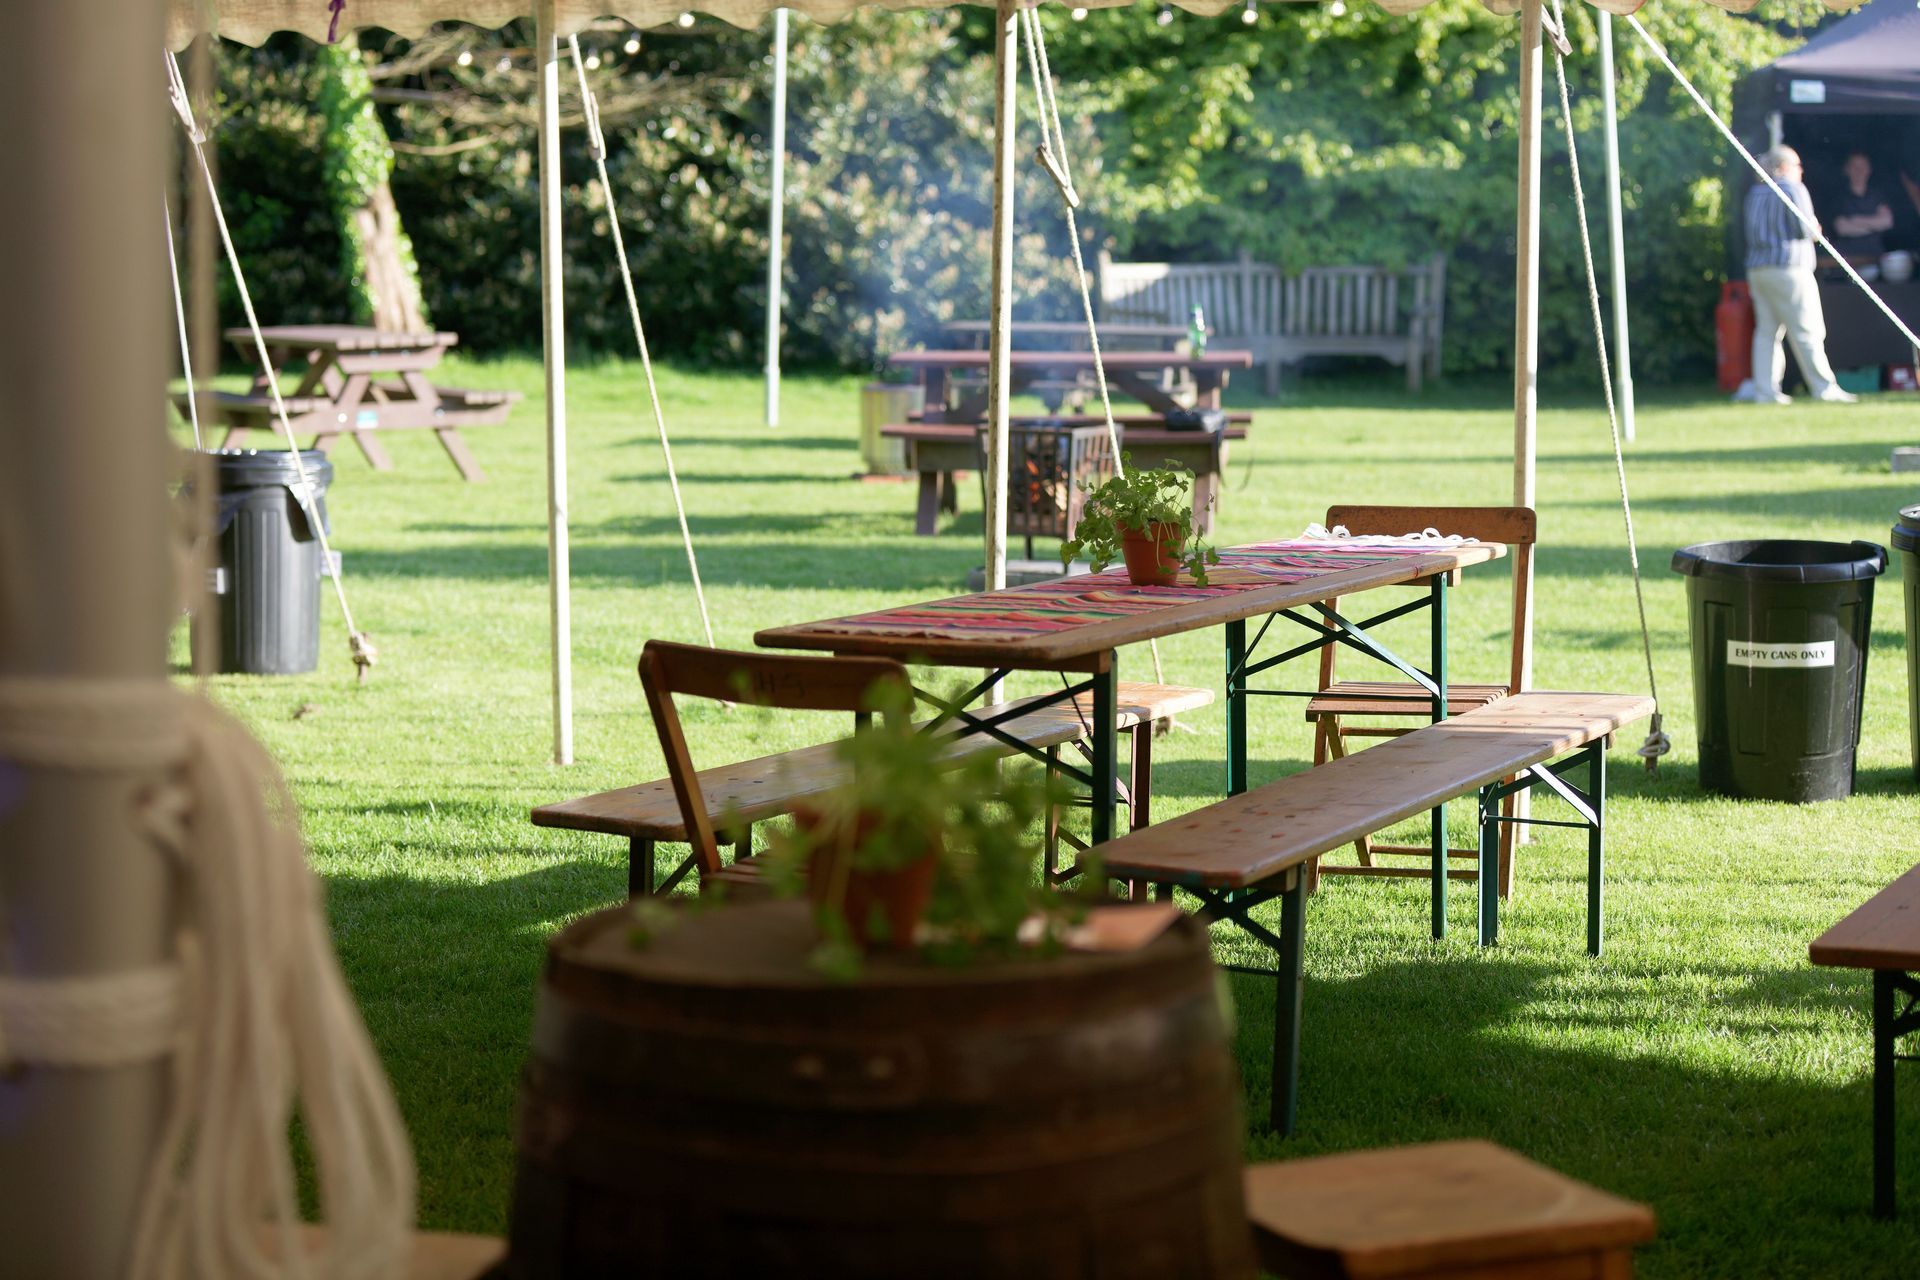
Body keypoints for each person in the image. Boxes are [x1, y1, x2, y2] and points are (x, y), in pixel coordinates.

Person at [1740, 145, 1856, 405]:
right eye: (1797, 166)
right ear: (1782, 168)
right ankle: (1823, 388)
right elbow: (1805, 230)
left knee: (1766, 332)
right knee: (1807, 330)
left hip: (1758, 270)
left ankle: (1765, 391)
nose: (1801, 172)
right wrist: (1815, 229)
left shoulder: (1754, 193)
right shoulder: (1792, 189)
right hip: (1789, 269)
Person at [1827, 151, 1894, 262]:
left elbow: (1887, 222)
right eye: (1855, 167)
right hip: (1848, 260)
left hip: (1876, 258)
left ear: (1869, 170)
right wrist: (1875, 225)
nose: (1859, 171)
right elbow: (1842, 228)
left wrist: (1855, 220)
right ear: (1846, 170)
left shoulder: (1877, 195)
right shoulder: (1838, 198)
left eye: (1863, 166)